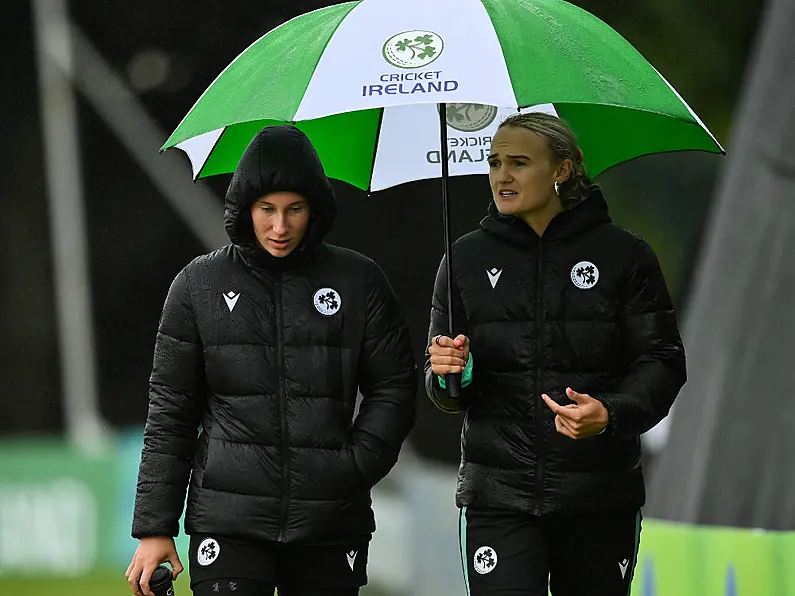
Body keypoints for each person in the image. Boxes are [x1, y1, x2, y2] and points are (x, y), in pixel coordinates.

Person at [126, 125, 417, 596]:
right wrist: (155, 527)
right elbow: (170, 416)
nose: (279, 227)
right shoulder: (197, 286)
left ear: (314, 210)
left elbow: (396, 388)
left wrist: (353, 467)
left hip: (330, 522)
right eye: (267, 210)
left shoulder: (359, 280)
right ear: (245, 208)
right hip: (227, 525)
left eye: (294, 210)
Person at [425, 112, 686, 596]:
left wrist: (609, 413)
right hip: (498, 497)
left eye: (519, 163)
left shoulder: (625, 255)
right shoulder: (463, 258)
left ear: (563, 170)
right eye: (494, 162)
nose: (502, 175)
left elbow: (663, 362)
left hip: (599, 496)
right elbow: (447, 391)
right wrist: (447, 373)